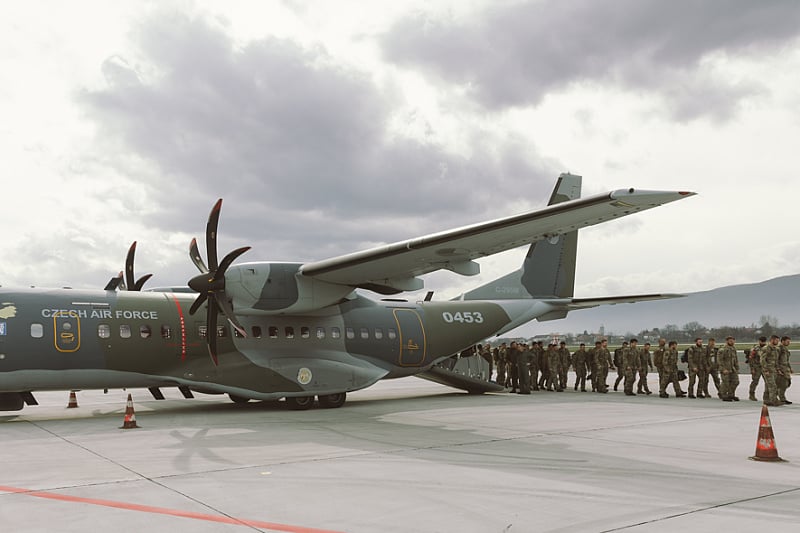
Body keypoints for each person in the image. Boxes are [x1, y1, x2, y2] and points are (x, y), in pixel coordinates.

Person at [760, 335, 781, 406]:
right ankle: (774, 401)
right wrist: (765, 370)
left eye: (778, 341)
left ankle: (766, 400)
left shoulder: (775, 349)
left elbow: (776, 360)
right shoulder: (766, 348)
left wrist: (778, 369)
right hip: (768, 370)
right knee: (773, 386)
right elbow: (762, 360)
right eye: (776, 340)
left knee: (768, 385)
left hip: (773, 370)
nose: (778, 342)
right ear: (772, 340)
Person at [717, 336, 740, 401]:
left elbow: (735, 359)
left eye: (733, 340)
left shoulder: (733, 348)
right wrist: (723, 369)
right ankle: (723, 395)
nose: (732, 342)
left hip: (732, 368)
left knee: (736, 382)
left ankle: (731, 394)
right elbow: (719, 360)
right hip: (725, 368)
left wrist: (737, 368)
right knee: (725, 382)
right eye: (730, 341)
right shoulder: (723, 349)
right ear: (727, 341)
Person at [747, 336, 767, 401]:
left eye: (764, 341)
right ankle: (751, 394)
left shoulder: (767, 348)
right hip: (756, 367)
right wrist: (752, 368)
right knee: (755, 381)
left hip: (765, 367)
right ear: (759, 341)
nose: (763, 343)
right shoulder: (755, 349)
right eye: (761, 341)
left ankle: (767, 396)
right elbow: (751, 359)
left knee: (768, 382)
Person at [777, 336, 793, 405]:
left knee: (787, 384)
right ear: (782, 341)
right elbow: (776, 360)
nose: (789, 343)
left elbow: (786, 360)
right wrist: (778, 369)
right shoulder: (779, 349)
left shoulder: (785, 349)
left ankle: (781, 398)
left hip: (785, 369)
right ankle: (781, 398)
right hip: (781, 369)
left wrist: (790, 368)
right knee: (783, 384)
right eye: (787, 341)